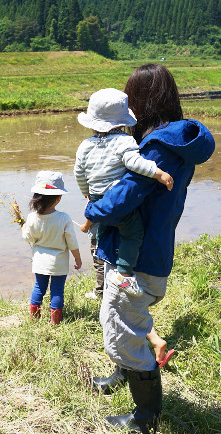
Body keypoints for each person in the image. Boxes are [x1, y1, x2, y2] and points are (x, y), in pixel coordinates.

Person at [84, 64, 215, 433]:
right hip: (138, 245)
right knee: (122, 316)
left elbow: (124, 196)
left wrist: (93, 210)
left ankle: (146, 418)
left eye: (131, 100)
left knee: (124, 323)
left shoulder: (160, 146)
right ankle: (123, 373)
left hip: (139, 255)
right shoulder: (169, 140)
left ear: (141, 101)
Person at [74, 88, 174, 298]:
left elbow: (79, 173)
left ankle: (101, 280)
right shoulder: (124, 141)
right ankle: (123, 273)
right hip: (117, 201)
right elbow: (134, 163)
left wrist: (88, 195)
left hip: (97, 199)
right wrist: (158, 173)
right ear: (121, 123)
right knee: (133, 233)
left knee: (101, 236)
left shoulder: (84, 146)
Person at [20, 171, 82, 326]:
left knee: (39, 288)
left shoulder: (33, 216)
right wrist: (78, 258)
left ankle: (34, 317)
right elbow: (72, 242)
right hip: (58, 263)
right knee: (57, 291)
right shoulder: (64, 218)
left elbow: (28, 237)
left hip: (40, 261)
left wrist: (22, 227)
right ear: (58, 198)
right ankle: (55, 321)